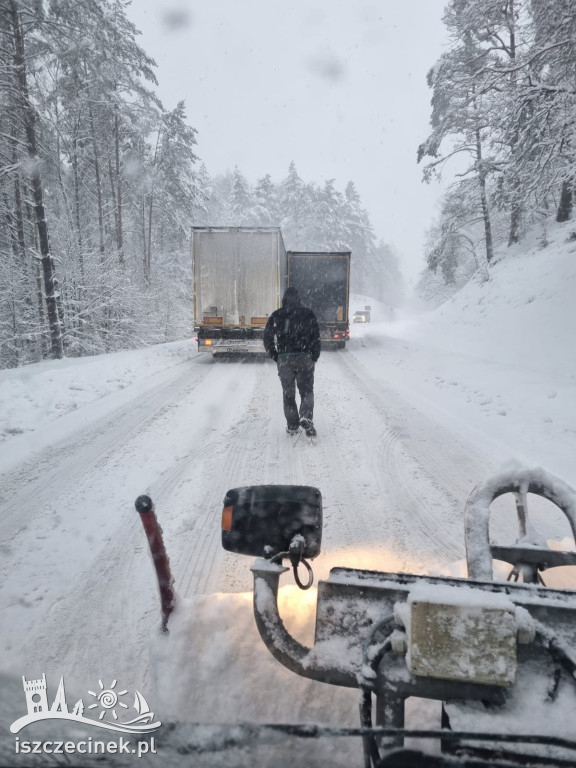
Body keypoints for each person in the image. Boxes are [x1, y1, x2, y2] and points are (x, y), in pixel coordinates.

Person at [263, 287, 321, 437]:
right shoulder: (308, 314)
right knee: (307, 390)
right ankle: (306, 417)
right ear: (299, 298)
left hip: (285, 358)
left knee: (288, 394)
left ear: (284, 299)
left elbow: (267, 338)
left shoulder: (277, 315)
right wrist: (314, 356)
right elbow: (316, 337)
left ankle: (293, 425)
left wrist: (275, 355)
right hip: (304, 357)